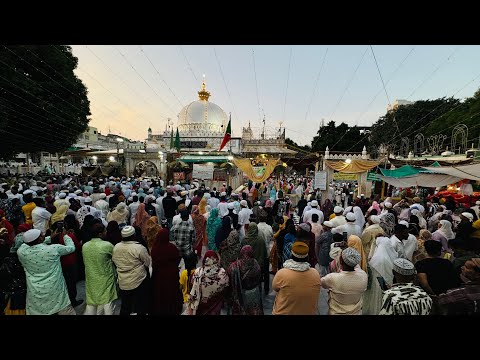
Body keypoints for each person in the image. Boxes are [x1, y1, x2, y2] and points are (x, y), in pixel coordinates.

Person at [17, 228, 76, 315]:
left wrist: (50, 237)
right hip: (55, 290)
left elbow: (30, 244)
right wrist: (65, 236)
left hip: (35, 292)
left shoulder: (21, 252)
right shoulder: (53, 249)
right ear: (40, 239)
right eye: (42, 235)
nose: (44, 235)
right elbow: (71, 248)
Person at [272, 241, 321, 315]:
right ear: (307, 257)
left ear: (292, 255)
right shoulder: (315, 273)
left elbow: (275, 288)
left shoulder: (282, 273)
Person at [113, 225, 152, 315]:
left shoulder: (116, 247)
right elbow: (147, 262)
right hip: (138, 280)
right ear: (134, 235)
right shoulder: (138, 247)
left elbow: (115, 261)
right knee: (140, 305)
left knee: (125, 305)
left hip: (123, 280)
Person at [82, 223, 118, 315]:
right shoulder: (107, 245)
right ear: (100, 234)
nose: (106, 232)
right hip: (106, 278)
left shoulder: (85, 246)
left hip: (91, 278)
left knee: (92, 302)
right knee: (108, 302)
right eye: (105, 231)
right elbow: (116, 258)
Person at [321, 247, 368, 315]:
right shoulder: (363, 276)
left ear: (341, 261)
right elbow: (356, 267)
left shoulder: (332, 278)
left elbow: (322, 283)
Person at [184, 250, 229, 315]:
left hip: (200, 308)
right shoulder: (223, 274)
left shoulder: (197, 273)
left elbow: (190, 289)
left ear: (204, 260)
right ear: (216, 259)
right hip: (215, 308)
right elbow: (226, 290)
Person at [151, 227, 183, 315]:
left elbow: (154, 262)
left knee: (160, 293)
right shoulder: (172, 248)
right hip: (171, 275)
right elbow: (177, 259)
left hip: (159, 276)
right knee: (171, 293)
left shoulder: (155, 249)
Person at [227, 245, 263, 315]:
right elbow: (259, 277)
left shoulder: (235, 266)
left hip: (241, 296)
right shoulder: (255, 263)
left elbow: (229, 275)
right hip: (254, 296)